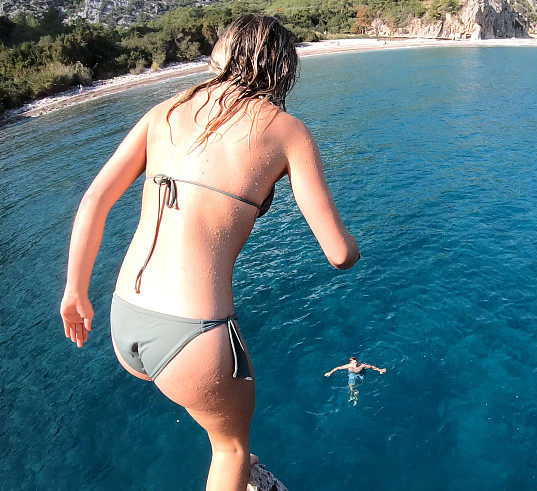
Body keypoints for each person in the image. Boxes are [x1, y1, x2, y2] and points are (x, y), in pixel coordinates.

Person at [59, 15, 360, 491]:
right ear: (282, 70)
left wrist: (75, 290)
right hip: (193, 337)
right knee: (233, 449)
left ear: (223, 55)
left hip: (125, 321)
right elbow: (339, 254)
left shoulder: (165, 109)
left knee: (211, 408)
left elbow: (95, 199)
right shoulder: (288, 132)